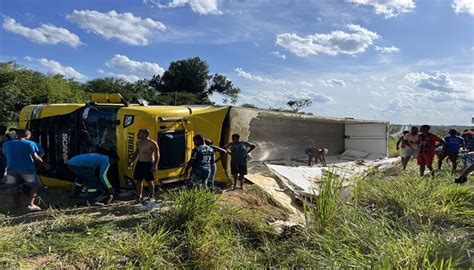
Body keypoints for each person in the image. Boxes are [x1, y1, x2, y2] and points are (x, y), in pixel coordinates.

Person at [2, 129, 50, 211]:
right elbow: (36, 158)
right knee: (35, 186)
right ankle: (30, 204)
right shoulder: (30, 143)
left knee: (13, 187)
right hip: (27, 169)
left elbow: (5, 154)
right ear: (28, 136)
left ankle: (17, 205)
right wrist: (44, 164)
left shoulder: (6, 144)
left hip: (11, 168)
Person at [128, 129, 160, 203]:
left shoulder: (152, 143)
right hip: (140, 163)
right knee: (138, 180)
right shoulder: (138, 143)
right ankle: (139, 197)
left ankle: (151, 196)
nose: (138, 135)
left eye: (139, 133)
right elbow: (136, 152)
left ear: (145, 134)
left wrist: (155, 165)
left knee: (149, 181)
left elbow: (157, 154)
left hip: (148, 163)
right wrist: (131, 161)